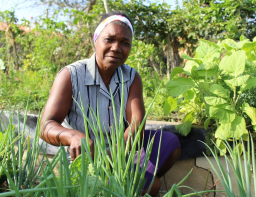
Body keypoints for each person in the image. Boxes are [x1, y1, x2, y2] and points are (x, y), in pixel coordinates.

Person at [40, 11, 181, 197]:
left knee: (172, 143)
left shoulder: (131, 77)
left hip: (121, 150)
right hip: (85, 158)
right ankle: (141, 181)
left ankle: (139, 177)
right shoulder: (71, 75)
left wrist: (112, 154)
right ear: (96, 40)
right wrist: (72, 136)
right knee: (152, 186)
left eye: (125, 43)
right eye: (109, 39)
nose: (116, 48)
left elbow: (136, 126)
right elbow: (45, 126)